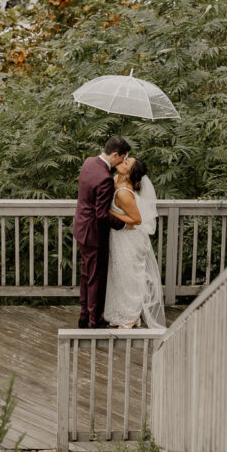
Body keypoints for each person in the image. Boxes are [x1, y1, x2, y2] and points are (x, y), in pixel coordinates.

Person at [73, 136, 129, 328]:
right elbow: (102, 215)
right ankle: (94, 320)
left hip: (81, 229)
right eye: (122, 158)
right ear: (115, 154)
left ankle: (83, 315)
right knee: (96, 278)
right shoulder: (105, 179)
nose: (122, 162)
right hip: (94, 233)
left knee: (86, 275)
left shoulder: (89, 162)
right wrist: (123, 224)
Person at [103, 157, 166, 329]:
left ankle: (131, 317)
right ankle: (118, 313)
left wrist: (109, 212)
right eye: (124, 159)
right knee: (118, 274)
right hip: (119, 236)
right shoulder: (115, 178)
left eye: (126, 163)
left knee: (129, 276)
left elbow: (136, 220)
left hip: (130, 238)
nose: (122, 162)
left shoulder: (124, 192)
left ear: (130, 174)